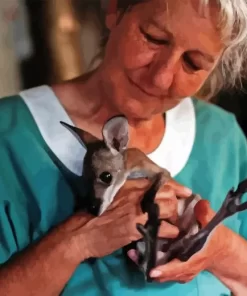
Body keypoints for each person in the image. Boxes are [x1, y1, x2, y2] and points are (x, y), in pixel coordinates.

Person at [0, 0, 247, 295]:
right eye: (153, 38)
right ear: (114, 9)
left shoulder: (222, 136)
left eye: (193, 63)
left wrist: (219, 249)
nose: (161, 76)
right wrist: (80, 239)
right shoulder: (10, 137)